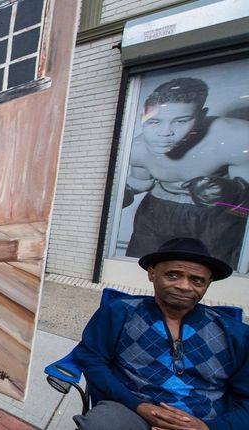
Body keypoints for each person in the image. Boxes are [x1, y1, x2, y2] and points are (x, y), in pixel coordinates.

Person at [73, 237, 249, 430]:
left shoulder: (235, 334)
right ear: (152, 273)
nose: (184, 286)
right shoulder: (119, 313)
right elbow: (91, 359)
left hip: (206, 421)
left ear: (209, 282)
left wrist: (208, 427)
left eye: (197, 280)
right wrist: (138, 406)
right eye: (173, 275)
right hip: (132, 412)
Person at [125, 77, 249, 269]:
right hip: (156, 210)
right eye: (155, 121)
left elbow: (245, 199)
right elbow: (139, 183)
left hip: (214, 215)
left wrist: (229, 190)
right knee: (140, 265)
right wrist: (123, 194)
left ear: (201, 116)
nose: (165, 133)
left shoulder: (234, 137)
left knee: (209, 273)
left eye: (180, 121)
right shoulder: (138, 148)